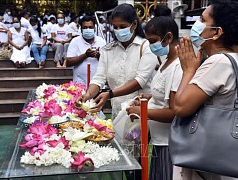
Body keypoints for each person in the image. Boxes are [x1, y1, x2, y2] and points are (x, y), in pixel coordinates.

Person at [173, 0, 238, 179]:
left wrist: (189, 71)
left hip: (209, 164)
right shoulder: (233, 59)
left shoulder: (218, 62)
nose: (197, 24)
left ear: (217, 32)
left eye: (202, 20)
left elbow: (180, 106)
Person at [126, 16, 182, 180]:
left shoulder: (177, 67)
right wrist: (148, 97)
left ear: (169, 37)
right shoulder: (166, 62)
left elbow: (173, 112)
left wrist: (143, 111)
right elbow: (164, 94)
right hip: (159, 142)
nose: (151, 46)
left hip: (168, 145)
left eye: (153, 41)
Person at [79, 3, 158, 119]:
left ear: (134, 25)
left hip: (140, 111)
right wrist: (88, 94)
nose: (118, 30)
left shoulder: (146, 47)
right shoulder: (108, 50)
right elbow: (99, 78)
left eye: (122, 26)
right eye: (115, 27)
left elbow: (139, 81)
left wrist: (110, 94)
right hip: (117, 110)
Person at [66, 15, 106, 86]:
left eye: (90, 27)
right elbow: (68, 62)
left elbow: (107, 61)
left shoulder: (101, 41)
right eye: (85, 27)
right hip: (80, 83)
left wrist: (99, 56)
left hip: (97, 83)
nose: (88, 29)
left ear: (94, 28)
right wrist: (85, 55)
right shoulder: (75, 41)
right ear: (81, 29)